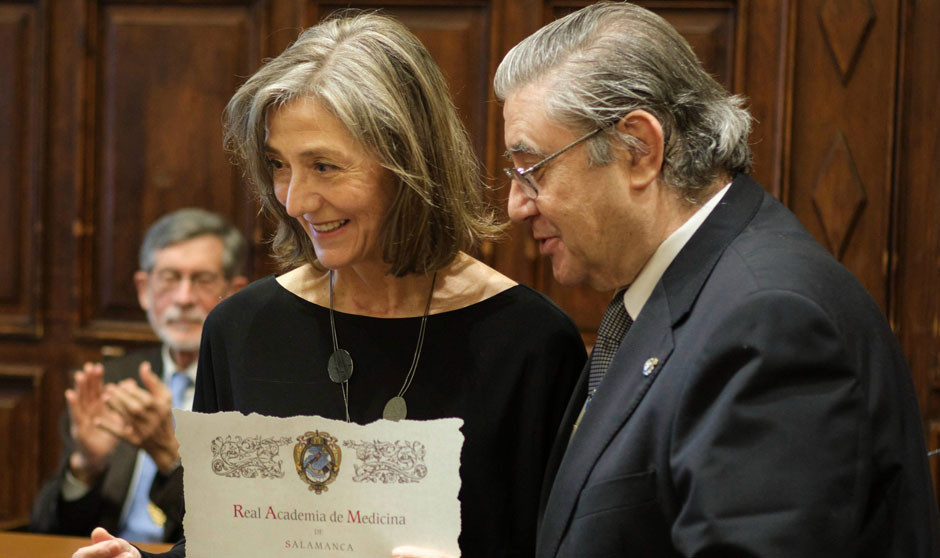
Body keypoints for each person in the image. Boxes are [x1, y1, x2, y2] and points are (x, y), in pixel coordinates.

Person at [71, 11, 585, 558]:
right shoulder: (241, 329)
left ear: (409, 164)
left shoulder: (530, 342)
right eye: (278, 164)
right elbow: (220, 543)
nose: (294, 200)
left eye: (323, 166)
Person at [493, 2, 940, 557]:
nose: (516, 205)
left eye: (532, 169)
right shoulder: (686, 289)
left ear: (639, 149)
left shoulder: (771, 322)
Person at [32, 208, 248, 543]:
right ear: (144, 289)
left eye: (203, 280)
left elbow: (239, 532)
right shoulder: (112, 381)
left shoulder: (253, 390)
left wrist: (170, 459)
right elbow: (45, 530)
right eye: (169, 278)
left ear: (235, 293)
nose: (184, 298)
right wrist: (86, 467)